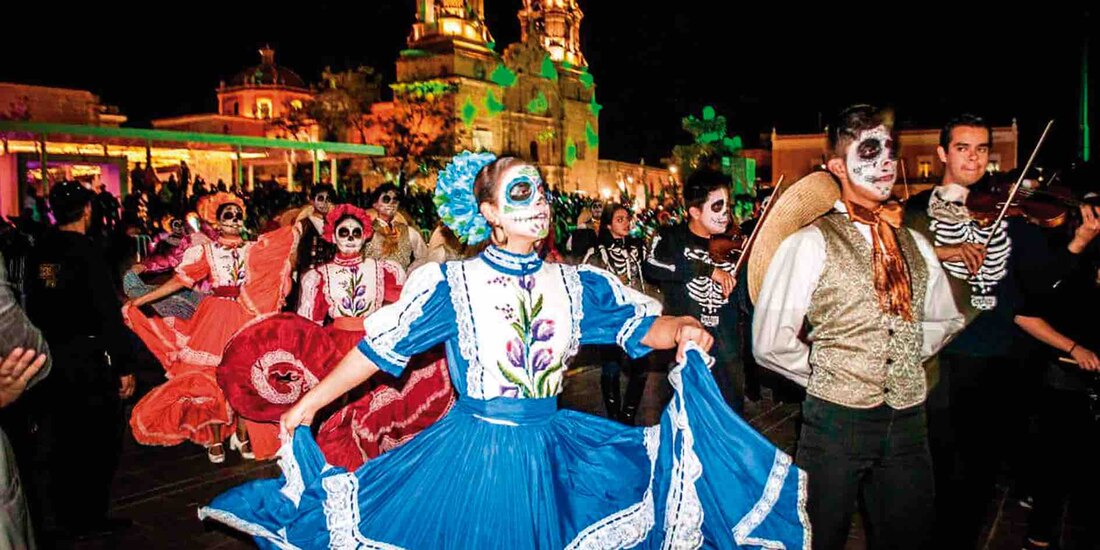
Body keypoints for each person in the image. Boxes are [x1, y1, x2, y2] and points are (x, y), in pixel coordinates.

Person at [199, 152, 810, 549]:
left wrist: (681, 329)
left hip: (553, 450)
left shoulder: (573, 283)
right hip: (475, 453)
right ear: (489, 212)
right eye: (522, 193)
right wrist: (310, 402)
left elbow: (638, 324)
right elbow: (378, 350)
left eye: (541, 192)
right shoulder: (451, 284)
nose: (540, 203)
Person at [753, 105, 964, 550]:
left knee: (908, 535)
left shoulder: (917, 245)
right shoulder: (809, 243)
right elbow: (769, 342)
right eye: (870, 150)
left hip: (908, 423)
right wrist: (831, 373)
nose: (886, 161)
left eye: (890, 150)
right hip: (835, 425)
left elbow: (944, 319)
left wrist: (900, 359)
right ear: (836, 166)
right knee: (818, 536)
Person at [218, 204, 454, 470]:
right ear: (333, 236)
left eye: (356, 232)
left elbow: (402, 309)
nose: (351, 238)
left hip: (373, 344)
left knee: (380, 413)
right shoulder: (318, 276)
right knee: (342, 415)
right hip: (336, 350)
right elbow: (309, 325)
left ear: (366, 235)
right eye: (345, 232)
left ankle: (377, 470)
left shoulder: (384, 270)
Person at [124, 193, 307, 462]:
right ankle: (214, 437)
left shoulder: (253, 248)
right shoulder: (206, 251)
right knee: (208, 381)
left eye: (237, 216)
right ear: (218, 223)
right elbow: (179, 281)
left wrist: (307, 210)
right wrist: (142, 299)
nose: (234, 220)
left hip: (247, 315)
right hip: (217, 317)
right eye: (227, 216)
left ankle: (243, 434)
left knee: (247, 379)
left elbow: (288, 235)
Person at [23, 181, 137, 539]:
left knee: (63, 436)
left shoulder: (42, 250)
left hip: (53, 354)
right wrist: (122, 364)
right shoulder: (87, 252)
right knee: (98, 438)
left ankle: (64, 511)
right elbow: (106, 311)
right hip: (89, 358)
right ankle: (90, 513)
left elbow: (40, 300)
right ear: (88, 211)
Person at [645, 167, 745, 413]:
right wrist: (706, 269)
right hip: (686, 350)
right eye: (717, 207)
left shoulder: (735, 244)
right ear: (694, 211)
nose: (726, 215)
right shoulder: (670, 238)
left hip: (727, 351)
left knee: (730, 420)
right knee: (687, 422)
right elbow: (652, 265)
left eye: (727, 207)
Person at [582, 203, 653, 424]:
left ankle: (628, 414)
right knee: (611, 367)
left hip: (637, 313)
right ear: (608, 224)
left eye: (627, 219)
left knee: (641, 365)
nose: (626, 223)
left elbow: (649, 275)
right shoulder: (596, 251)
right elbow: (586, 280)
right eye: (620, 219)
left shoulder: (638, 247)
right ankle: (614, 416)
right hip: (611, 316)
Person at [364, 183, 427, 270]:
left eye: (395, 200)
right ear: (375, 205)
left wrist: (409, 274)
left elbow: (423, 258)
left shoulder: (408, 231)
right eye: (386, 199)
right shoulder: (366, 231)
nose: (391, 203)